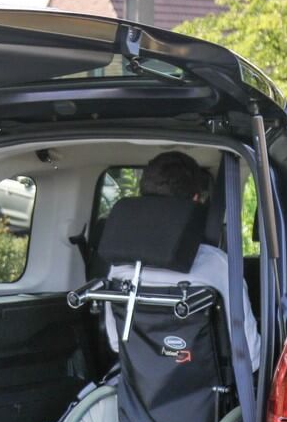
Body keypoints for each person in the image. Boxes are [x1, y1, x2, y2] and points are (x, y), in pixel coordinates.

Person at [103, 150, 261, 366]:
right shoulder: (218, 266)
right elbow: (250, 356)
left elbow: (116, 343)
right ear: (196, 200)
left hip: (140, 394)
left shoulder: (119, 268)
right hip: (209, 395)